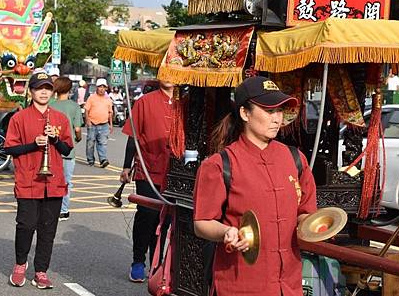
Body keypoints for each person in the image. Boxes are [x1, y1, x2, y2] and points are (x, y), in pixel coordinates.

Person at [193, 76, 317, 296]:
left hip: (288, 285)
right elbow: (202, 223)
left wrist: (317, 225)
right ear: (244, 113)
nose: (277, 119)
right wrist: (226, 232)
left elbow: (305, 213)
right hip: (241, 284)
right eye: (269, 111)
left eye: (280, 111)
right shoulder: (220, 165)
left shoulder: (296, 159)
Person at [4, 72, 73, 289]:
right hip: (28, 180)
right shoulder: (19, 117)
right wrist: (34, 144)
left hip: (53, 183)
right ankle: (19, 265)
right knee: (25, 225)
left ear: (52, 91)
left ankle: (41, 271)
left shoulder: (60, 118)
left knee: (48, 229)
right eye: (38, 88)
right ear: (31, 91)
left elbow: (67, 149)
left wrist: (55, 138)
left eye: (47, 88)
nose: (43, 92)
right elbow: (10, 148)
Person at [120, 80, 175, 282]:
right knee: (147, 216)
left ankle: (157, 262)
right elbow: (132, 136)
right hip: (148, 168)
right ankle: (138, 261)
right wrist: (127, 165)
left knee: (166, 220)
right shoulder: (145, 102)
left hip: (174, 173)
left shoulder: (184, 102)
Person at [50, 77, 83, 221]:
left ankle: (50, 208)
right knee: (66, 181)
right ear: (70, 89)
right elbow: (77, 129)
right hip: (69, 150)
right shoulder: (74, 106)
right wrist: (79, 138)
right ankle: (63, 210)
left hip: (51, 148)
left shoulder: (50, 104)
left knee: (50, 180)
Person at [84, 78, 112, 168]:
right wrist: (88, 121)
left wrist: (110, 124)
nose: (102, 89)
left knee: (102, 143)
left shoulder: (108, 99)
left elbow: (110, 113)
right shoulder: (91, 98)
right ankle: (90, 159)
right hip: (92, 124)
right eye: (100, 87)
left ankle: (103, 159)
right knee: (90, 143)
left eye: (104, 87)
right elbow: (86, 110)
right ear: (97, 87)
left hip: (104, 124)